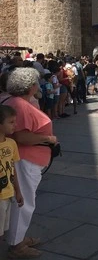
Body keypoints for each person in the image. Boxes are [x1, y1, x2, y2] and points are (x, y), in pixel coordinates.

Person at [0, 68, 58, 258]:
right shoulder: (20, 105)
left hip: (25, 159)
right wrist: (48, 140)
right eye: (35, 82)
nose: (37, 85)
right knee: (24, 202)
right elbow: (21, 136)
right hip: (25, 160)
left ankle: (17, 236)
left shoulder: (12, 100)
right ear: (30, 86)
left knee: (21, 201)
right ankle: (16, 245)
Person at [0, 105, 24, 241]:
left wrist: (18, 191)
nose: (15, 125)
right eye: (11, 122)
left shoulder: (11, 143)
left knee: (2, 232)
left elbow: (13, 169)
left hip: (8, 194)